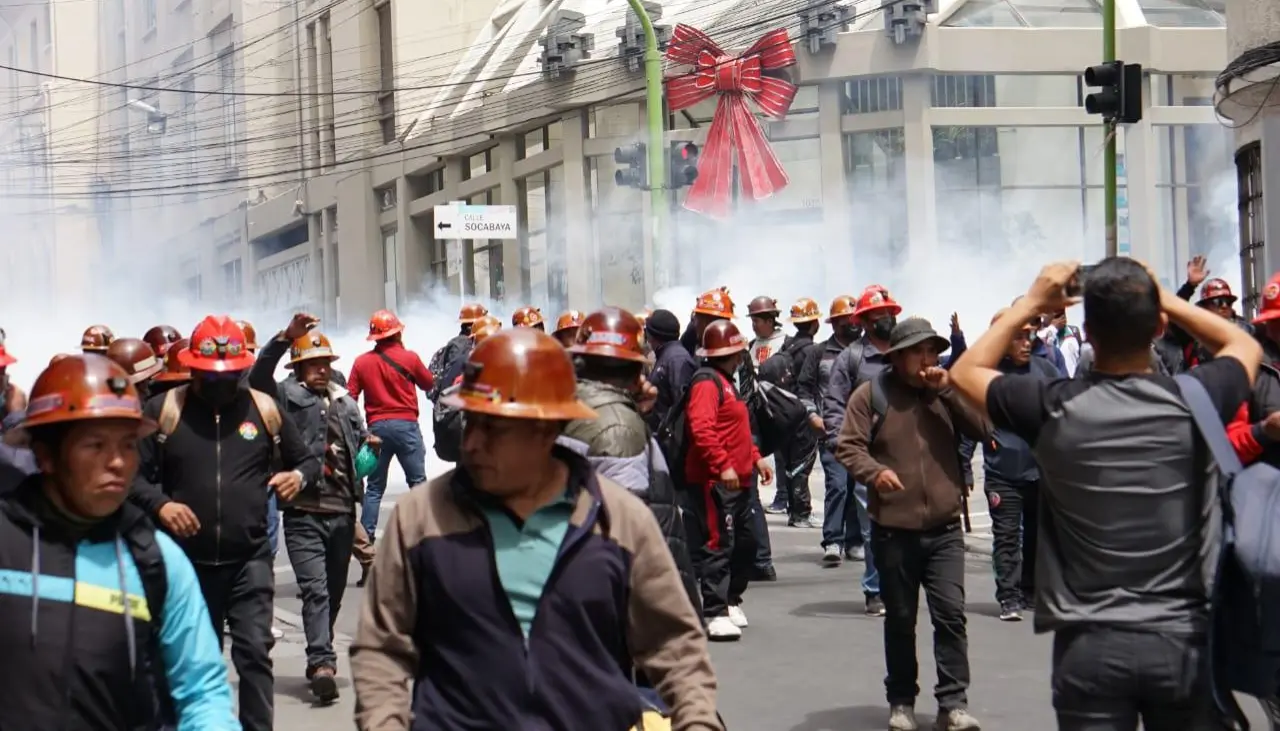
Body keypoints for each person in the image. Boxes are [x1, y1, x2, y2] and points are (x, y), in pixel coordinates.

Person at [350, 328, 722, 730]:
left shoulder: (619, 520)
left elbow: (675, 646)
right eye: (469, 422)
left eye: (493, 428)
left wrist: (698, 721)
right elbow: (381, 649)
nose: (470, 443)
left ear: (546, 429)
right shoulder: (420, 519)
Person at [950, 258, 1262, 731]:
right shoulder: (1195, 398)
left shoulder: (1053, 406)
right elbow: (1241, 343)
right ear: (1158, 325)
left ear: (1088, 332)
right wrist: (1169, 297)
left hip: (1089, 647)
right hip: (1183, 641)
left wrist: (1032, 302)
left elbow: (964, 371)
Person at [0, 355, 238, 729]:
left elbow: (201, 693)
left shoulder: (156, 560)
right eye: (95, 445)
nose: (117, 462)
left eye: (128, 445)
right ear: (45, 456)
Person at [131, 315, 320, 731]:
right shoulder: (163, 412)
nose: (220, 384)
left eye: (230, 375)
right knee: (193, 660)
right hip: (186, 565)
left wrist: (298, 477)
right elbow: (131, 478)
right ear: (192, 367)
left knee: (254, 654)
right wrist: (161, 505)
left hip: (248, 560)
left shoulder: (263, 409)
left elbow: (307, 459)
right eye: (210, 375)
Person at [836, 317, 989, 731]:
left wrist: (949, 393)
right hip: (893, 530)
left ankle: (953, 704)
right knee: (901, 618)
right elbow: (847, 447)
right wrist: (874, 472)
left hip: (944, 531)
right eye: (920, 351)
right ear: (899, 357)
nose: (929, 359)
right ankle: (901, 701)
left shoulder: (946, 391)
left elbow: (984, 429)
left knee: (951, 615)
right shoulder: (871, 395)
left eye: (933, 351)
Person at [249, 313, 378, 703]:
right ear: (300, 366)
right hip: (304, 513)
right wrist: (285, 338)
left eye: (326, 363)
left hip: (342, 510)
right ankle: (322, 661)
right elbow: (256, 380)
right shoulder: (285, 395)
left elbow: (358, 441)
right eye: (315, 363)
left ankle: (319, 650)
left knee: (334, 590)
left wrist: (369, 443)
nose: (323, 369)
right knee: (315, 590)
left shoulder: (343, 399)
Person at [684, 319, 775, 641]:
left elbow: (735, 431)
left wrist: (754, 457)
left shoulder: (727, 383)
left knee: (746, 543)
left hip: (740, 481)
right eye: (737, 351)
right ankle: (714, 610)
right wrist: (723, 465)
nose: (741, 357)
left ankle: (731, 597)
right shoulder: (707, 383)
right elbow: (702, 429)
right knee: (718, 544)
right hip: (716, 483)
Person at [980, 309, 1059, 622]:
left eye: (1028, 336)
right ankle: (1008, 596)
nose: (1025, 343)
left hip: (1042, 472)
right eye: (1016, 337)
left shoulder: (1047, 370)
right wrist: (962, 464)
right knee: (1007, 537)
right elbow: (968, 419)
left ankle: (1031, 590)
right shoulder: (986, 375)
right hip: (1003, 474)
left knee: (1039, 538)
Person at [347, 309, 434, 542]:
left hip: (376, 431)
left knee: (374, 489)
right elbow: (428, 384)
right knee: (418, 484)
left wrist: (358, 432)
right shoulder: (410, 358)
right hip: (406, 427)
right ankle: (425, 536)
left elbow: (349, 398)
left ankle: (367, 544)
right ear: (397, 334)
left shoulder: (361, 363)